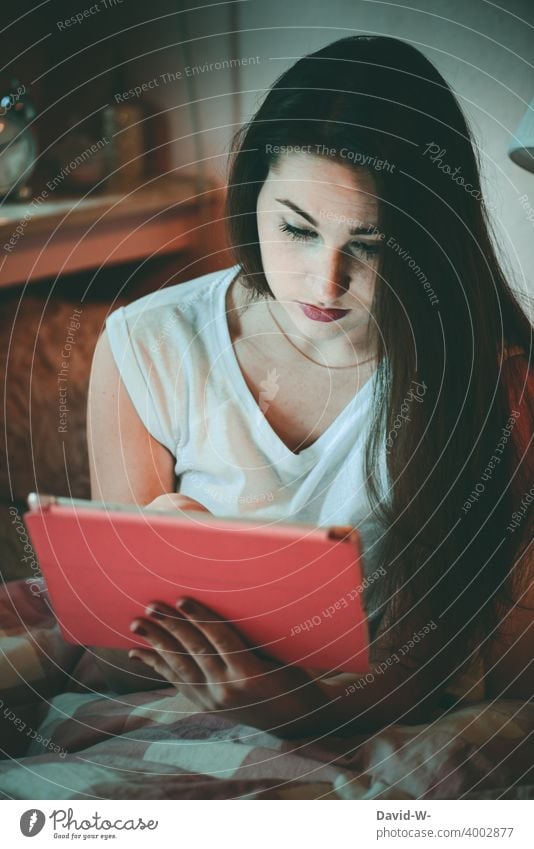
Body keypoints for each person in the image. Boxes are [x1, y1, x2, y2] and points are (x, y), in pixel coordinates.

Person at [87, 35, 534, 738]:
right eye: (297, 228)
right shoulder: (146, 346)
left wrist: (289, 705)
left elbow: (429, 667)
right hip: (182, 705)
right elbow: (123, 637)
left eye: (371, 244)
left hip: (370, 716)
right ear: (252, 191)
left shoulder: (486, 373)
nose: (326, 283)